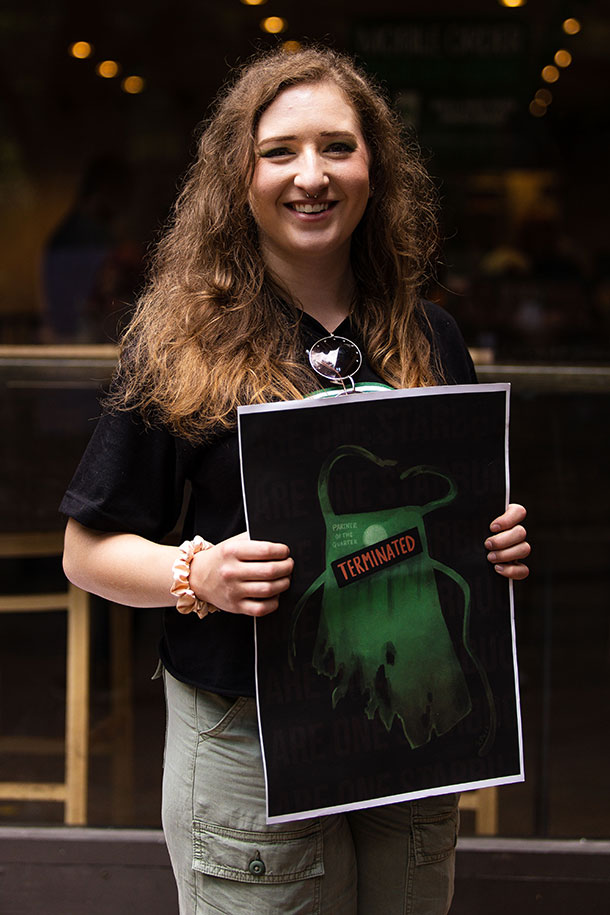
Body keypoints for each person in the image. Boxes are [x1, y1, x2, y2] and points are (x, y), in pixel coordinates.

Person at [61, 47, 530, 915]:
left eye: (336, 148)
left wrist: (493, 541)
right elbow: (85, 551)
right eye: (279, 151)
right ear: (238, 174)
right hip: (248, 743)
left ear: (374, 169)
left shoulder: (433, 337)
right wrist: (193, 575)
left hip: (408, 729)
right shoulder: (181, 341)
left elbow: (467, 524)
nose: (309, 176)